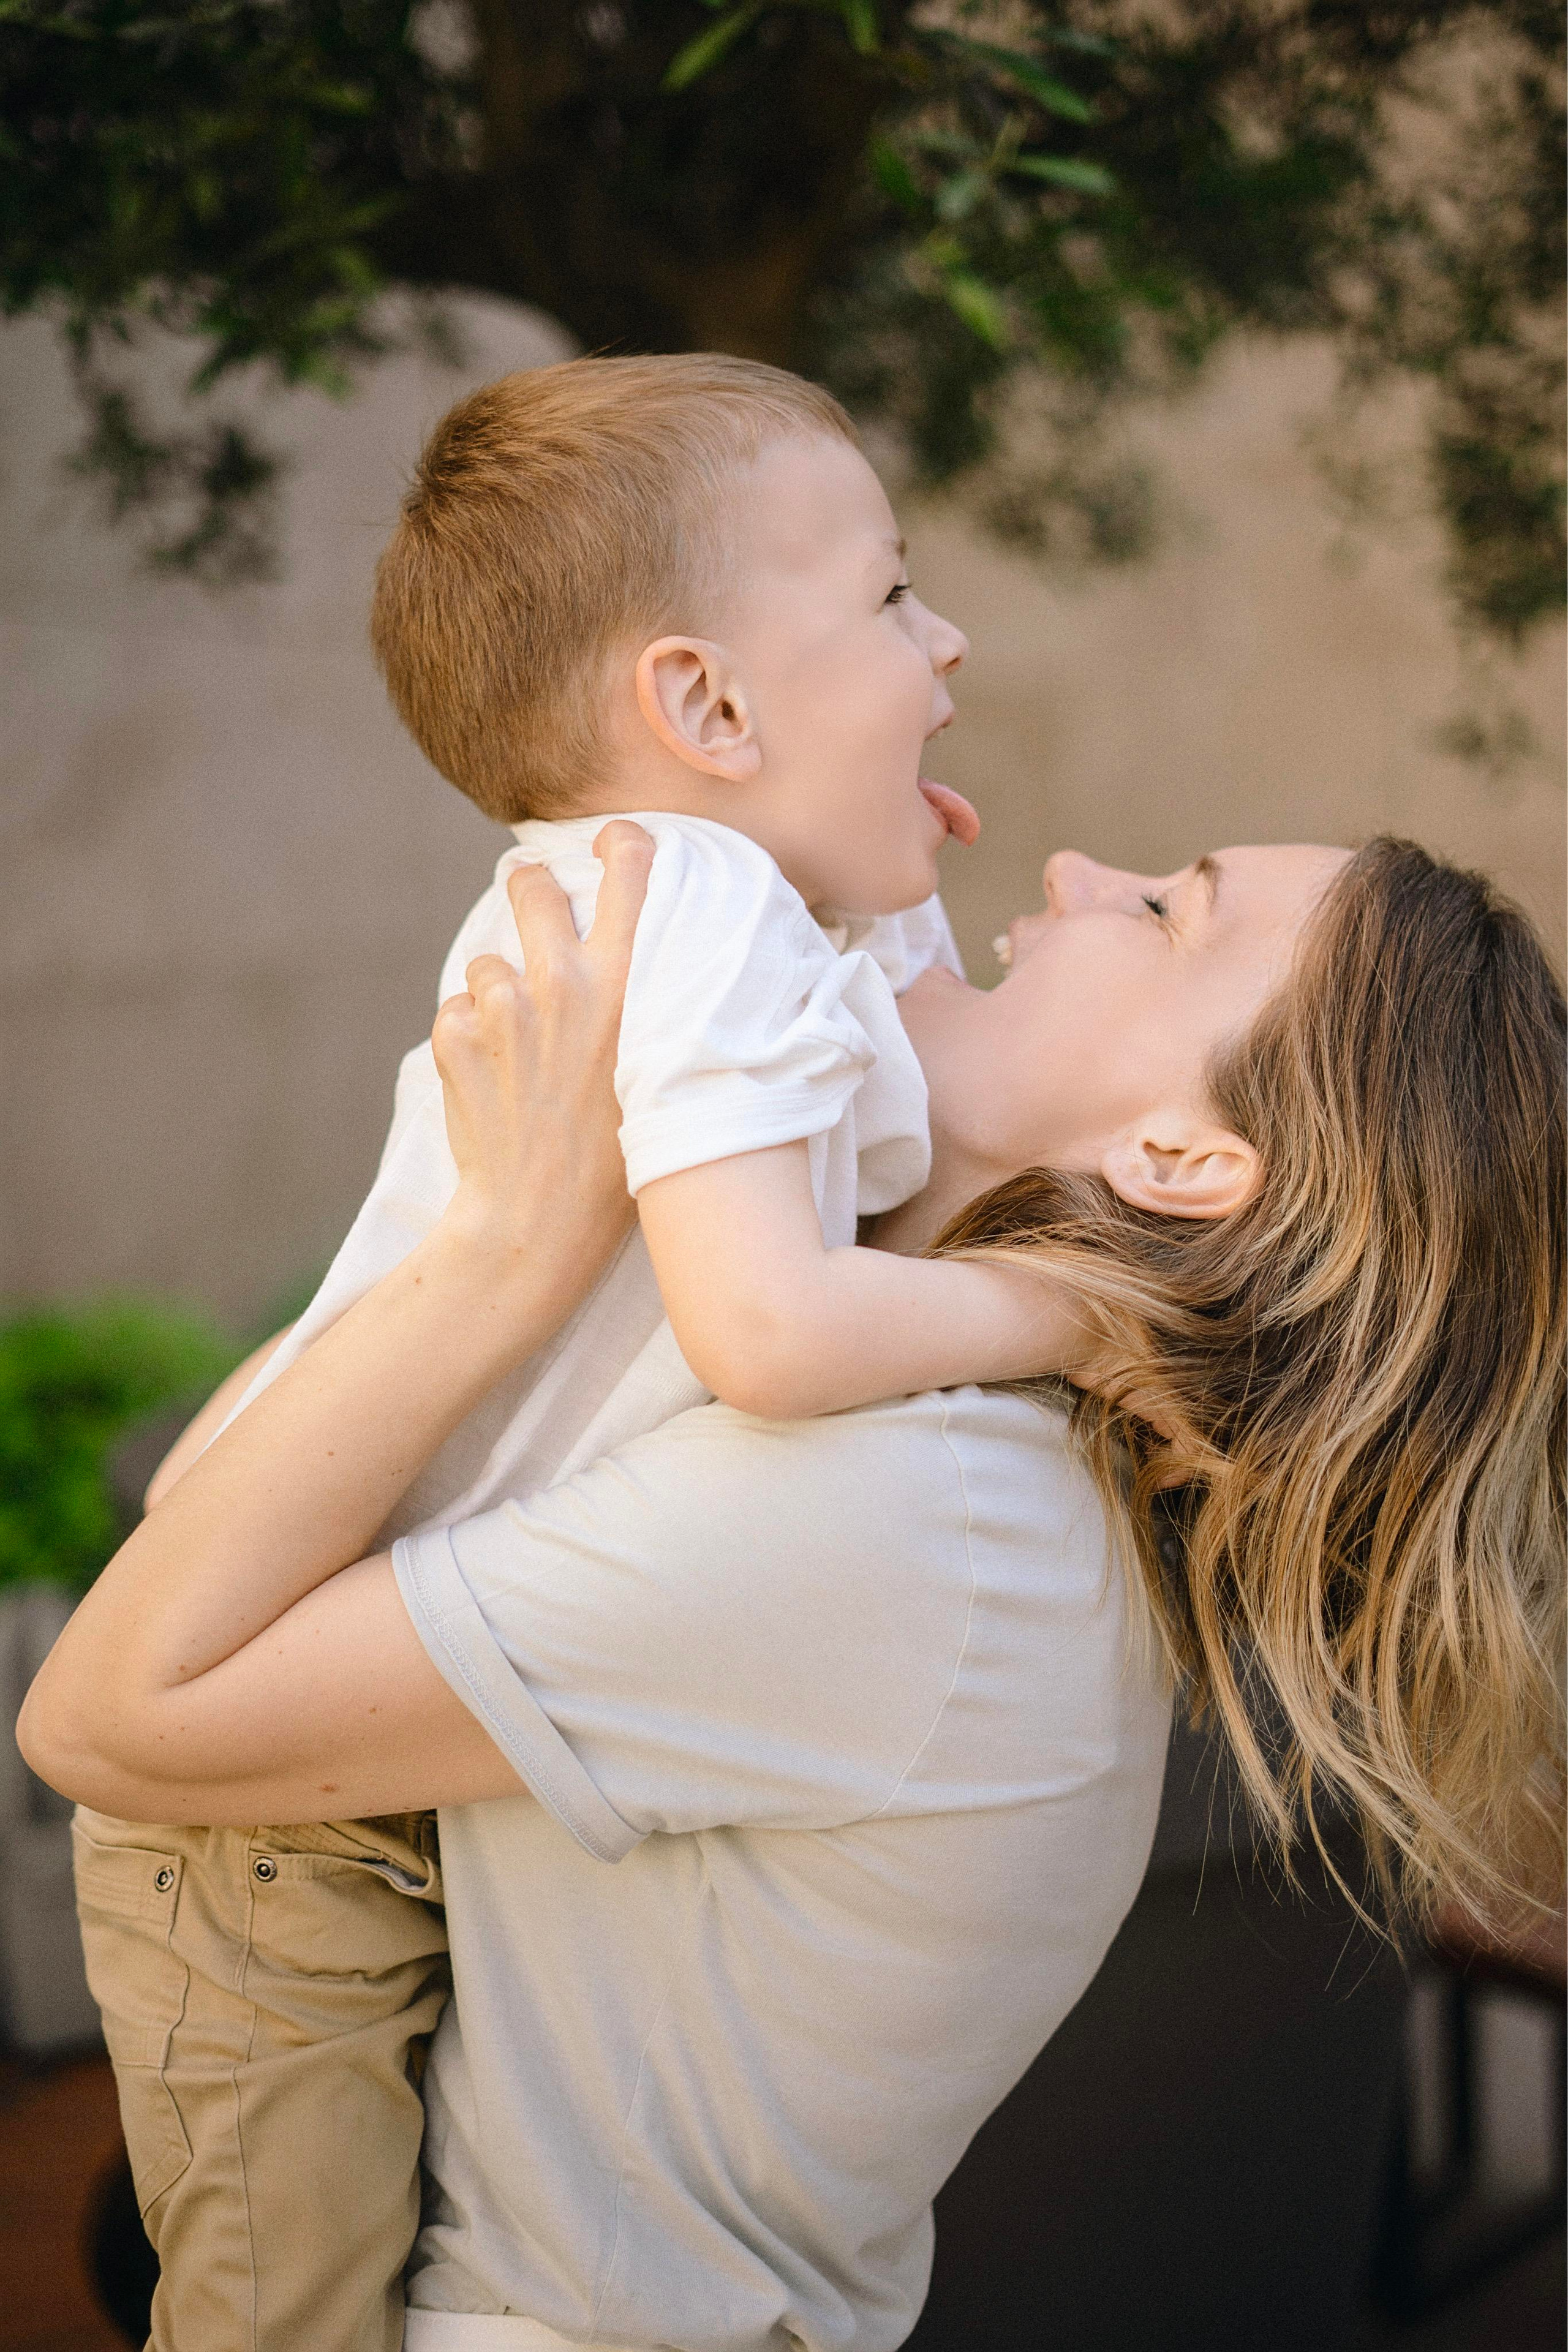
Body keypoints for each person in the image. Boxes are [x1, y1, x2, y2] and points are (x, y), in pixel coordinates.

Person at [22, 824, 1564, 2352]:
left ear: (1179, 1159)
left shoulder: (922, 1514)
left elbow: (110, 1715)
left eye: (1167, 911)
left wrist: (502, 1248)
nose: (1074, 871)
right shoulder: (928, 1428)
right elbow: (204, 1505)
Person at [47, 350, 1105, 2352]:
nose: (945, 638)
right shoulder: (691, 905)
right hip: (263, 1819)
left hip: (359, 1700)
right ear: (704, 704)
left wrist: (898, 906)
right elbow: (776, 1327)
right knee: (287, 2308)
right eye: (890, 596)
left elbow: (872, 1159)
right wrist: (1073, 1308)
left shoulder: (722, 903)